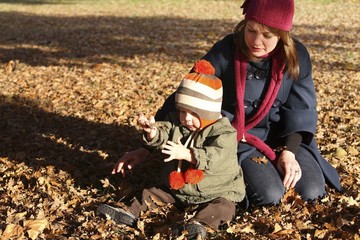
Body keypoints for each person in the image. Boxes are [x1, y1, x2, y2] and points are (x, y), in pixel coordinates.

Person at [111, 0, 343, 207]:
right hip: (237, 138)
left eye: (267, 35)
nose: (257, 41)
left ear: (282, 35)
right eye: (251, 30)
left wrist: (290, 153)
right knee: (270, 195)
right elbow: (189, 93)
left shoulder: (297, 56)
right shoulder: (226, 50)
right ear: (244, 23)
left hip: (286, 139)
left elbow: (301, 108)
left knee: (312, 191)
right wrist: (146, 148)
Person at [98, 60, 246, 240]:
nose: (185, 118)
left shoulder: (224, 132)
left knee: (223, 207)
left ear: (209, 112)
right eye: (182, 111)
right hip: (178, 189)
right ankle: (129, 212)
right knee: (152, 193)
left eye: (193, 113)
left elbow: (218, 156)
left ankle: (200, 225)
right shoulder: (177, 122)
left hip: (216, 189)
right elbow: (165, 131)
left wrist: (188, 154)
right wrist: (153, 133)